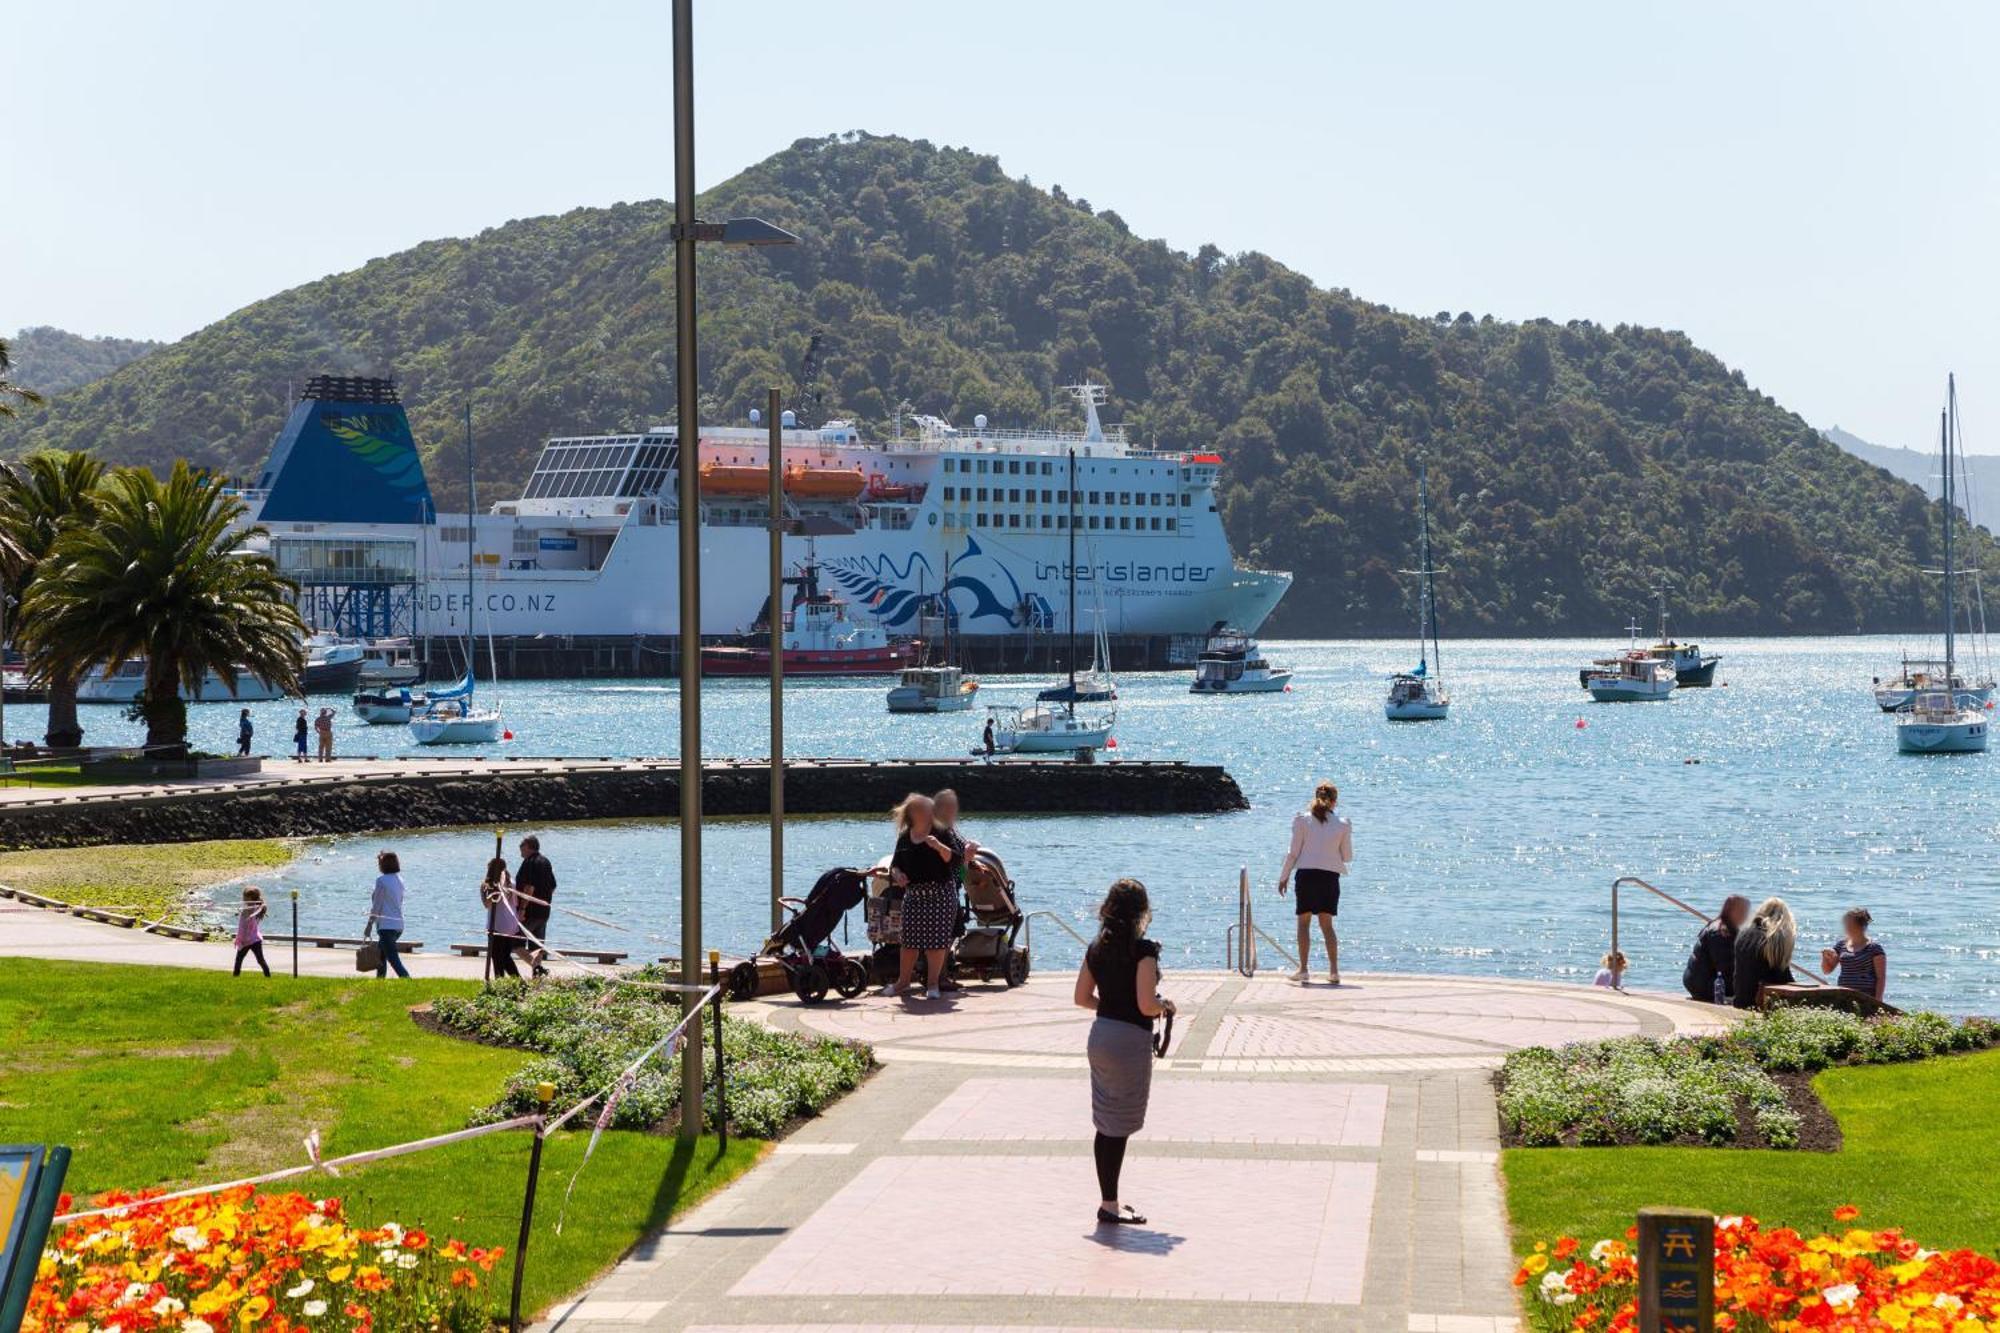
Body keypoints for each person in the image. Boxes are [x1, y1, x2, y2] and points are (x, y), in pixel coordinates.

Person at [1073, 877, 1172, 1227]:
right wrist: (1164, 1006)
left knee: (1105, 1122)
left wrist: (1111, 1005)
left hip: (1100, 1036)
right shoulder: (1143, 951)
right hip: (1129, 1041)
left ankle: (1109, 1201)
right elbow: (1146, 1004)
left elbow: (1082, 998)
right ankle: (1110, 1207)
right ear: (1141, 912)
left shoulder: (1096, 948)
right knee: (1118, 1126)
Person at [884, 793, 961, 1000]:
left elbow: (956, 859)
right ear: (911, 814)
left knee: (935, 943)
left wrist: (938, 846)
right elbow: (895, 866)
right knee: (908, 942)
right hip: (914, 895)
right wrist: (898, 875)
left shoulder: (942, 832)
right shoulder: (904, 837)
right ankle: (902, 983)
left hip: (941, 894)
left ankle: (933, 984)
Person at [1277, 780, 1353, 985]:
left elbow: (1293, 853)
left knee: (1304, 922)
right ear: (1334, 801)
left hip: (1307, 875)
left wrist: (1283, 877)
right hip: (1329, 877)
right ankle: (1334, 971)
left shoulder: (1302, 821)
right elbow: (1347, 856)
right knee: (1327, 925)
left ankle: (1303, 969)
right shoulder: (1343, 824)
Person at [1682, 895, 1751, 1003]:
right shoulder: (1720, 932)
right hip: (1702, 984)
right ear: (1732, 911)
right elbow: (1726, 967)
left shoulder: (1723, 926)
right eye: (1743, 911)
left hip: (1697, 980)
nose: (1746, 916)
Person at [1730, 897, 1796, 1010]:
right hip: (1761, 1002)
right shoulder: (1773, 939)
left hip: (1741, 1000)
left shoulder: (1743, 934)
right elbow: (1781, 976)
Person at [1822, 907, 1887, 1002]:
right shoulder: (1841, 945)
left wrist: (1878, 1000)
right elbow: (1827, 970)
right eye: (1845, 924)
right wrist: (1825, 957)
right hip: (1844, 995)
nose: (1846, 927)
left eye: (1849, 923)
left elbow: (1881, 978)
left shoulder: (1874, 948)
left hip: (1866, 997)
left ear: (1860, 925)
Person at [515, 835, 557, 976]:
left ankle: (538, 969)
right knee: (536, 946)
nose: (520, 850)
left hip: (530, 912)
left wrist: (522, 909)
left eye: (521, 846)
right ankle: (537, 978)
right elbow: (552, 886)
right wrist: (545, 899)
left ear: (527, 846)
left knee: (515, 943)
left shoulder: (529, 862)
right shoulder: (545, 861)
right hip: (544, 911)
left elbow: (529, 887)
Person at [368, 849, 411, 979]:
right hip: (398, 925)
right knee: (381, 954)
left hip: (386, 926)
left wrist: (369, 925)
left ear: (383, 865)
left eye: (379, 863)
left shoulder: (381, 880)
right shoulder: (399, 880)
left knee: (393, 958)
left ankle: (407, 981)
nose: (378, 865)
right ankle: (379, 982)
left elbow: (377, 905)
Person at [480, 856, 523, 980]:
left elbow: (487, 905)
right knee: (505, 956)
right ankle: (518, 981)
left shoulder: (487, 885)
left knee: (497, 956)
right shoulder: (512, 882)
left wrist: (491, 892)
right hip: (511, 923)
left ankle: (500, 981)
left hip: (497, 924)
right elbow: (515, 903)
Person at [233, 885, 270, 977]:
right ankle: (267, 975)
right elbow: (244, 912)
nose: (243, 899)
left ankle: (236, 976)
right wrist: (239, 911)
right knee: (256, 959)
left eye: (244, 897)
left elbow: (253, 911)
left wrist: (261, 905)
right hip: (251, 939)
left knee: (256, 959)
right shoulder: (249, 908)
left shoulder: (254, 908)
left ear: (250, 898)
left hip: (250, 940)